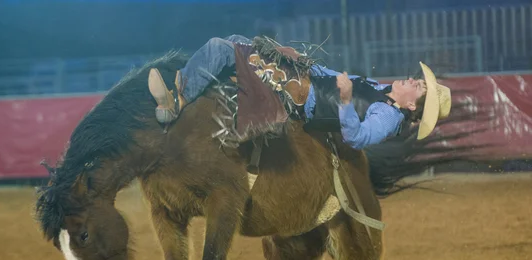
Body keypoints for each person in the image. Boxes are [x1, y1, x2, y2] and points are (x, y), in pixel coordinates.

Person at [148, 35, 452, 149]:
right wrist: (301, 62)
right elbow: (331, 78)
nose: (413, 80)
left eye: (419, 86)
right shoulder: (381, 92)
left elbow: (357, 139)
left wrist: (345, 101)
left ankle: (177, 101)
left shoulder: (387, 117)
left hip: (299, 95)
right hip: (303, 78)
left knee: (220, 48)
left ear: (413, 107)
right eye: (418, 79)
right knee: (236, 41)